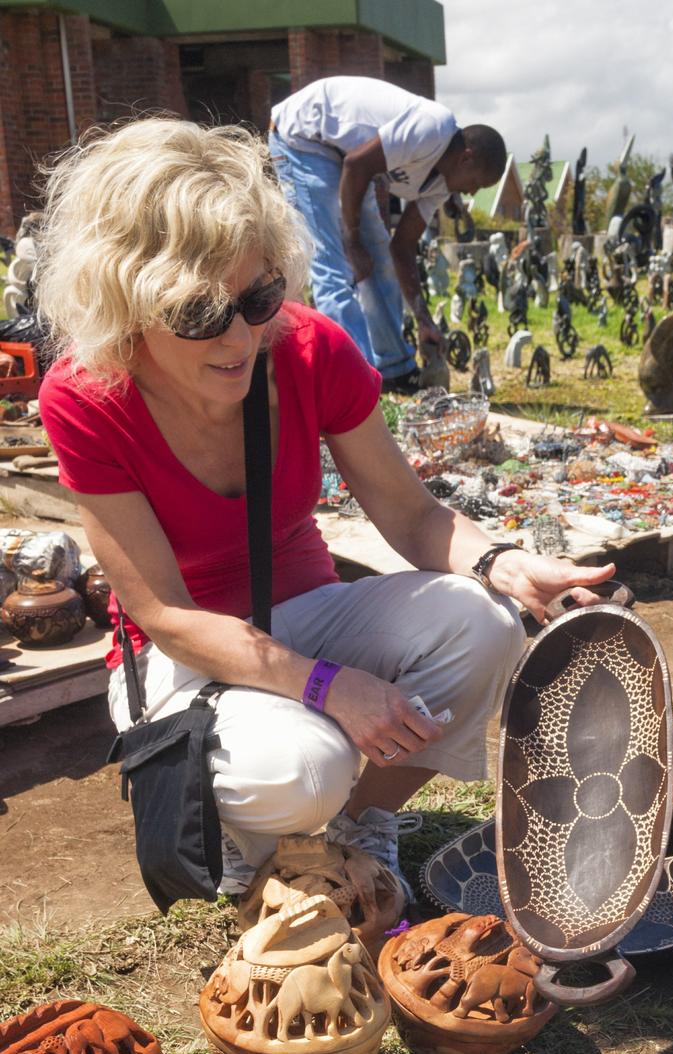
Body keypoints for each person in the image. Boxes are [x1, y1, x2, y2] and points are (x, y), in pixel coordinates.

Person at [36, 119, 614, 897]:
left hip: (304, 607)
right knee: (308, 765)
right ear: (128, 301)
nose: (242, 335)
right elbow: (165, 614)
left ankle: (354, 828)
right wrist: (325, 686)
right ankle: (256, 833)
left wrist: (500, 562)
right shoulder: (87, 394)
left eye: (260, 294)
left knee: (482, 622)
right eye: (202, 314)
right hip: (182, 654)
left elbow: (410, 516)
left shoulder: (307, 348)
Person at [268, 76, 506, 393]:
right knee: (334, 264)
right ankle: (351, 382)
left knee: (379, 258)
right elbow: (356, 164)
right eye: (477, 181)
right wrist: (351, 241)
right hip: (305, 138)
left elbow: (402, 248)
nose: (473, 191)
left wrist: (423, 319)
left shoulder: (439, 186)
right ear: (466, 158)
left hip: (348, 159)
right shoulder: (432, 127)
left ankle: (393, 369)